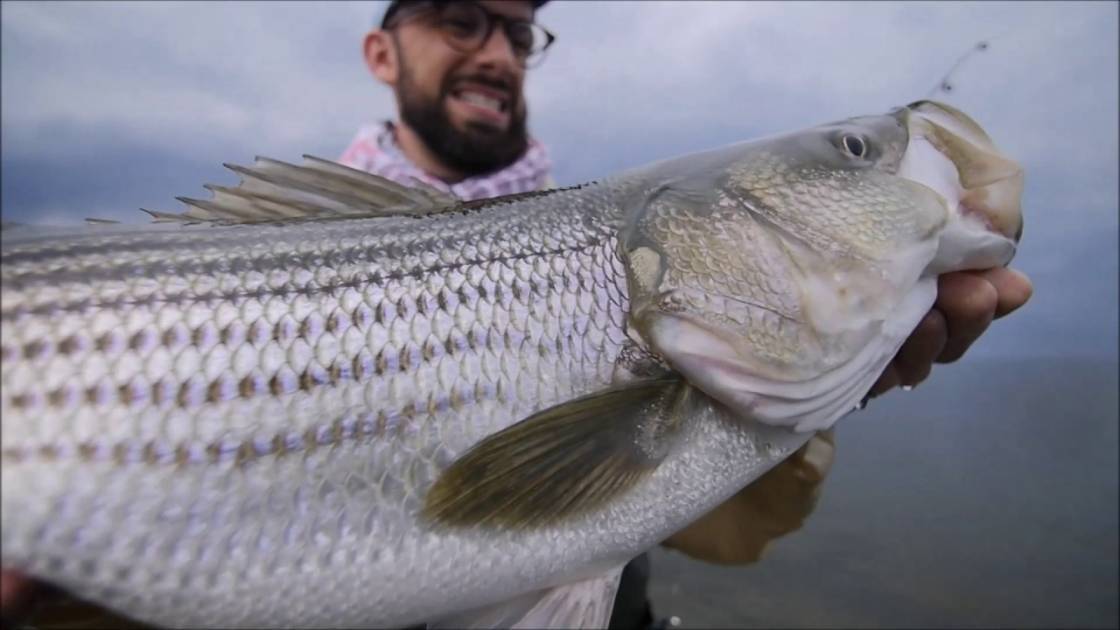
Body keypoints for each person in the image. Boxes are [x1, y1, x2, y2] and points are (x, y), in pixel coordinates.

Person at [0, 1, 1034, 627]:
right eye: (458, 17)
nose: (495, 49)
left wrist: (821, 395)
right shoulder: (239, 251)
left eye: (516, 28)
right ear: (380, 52)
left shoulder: (610, 241)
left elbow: (724, 536)